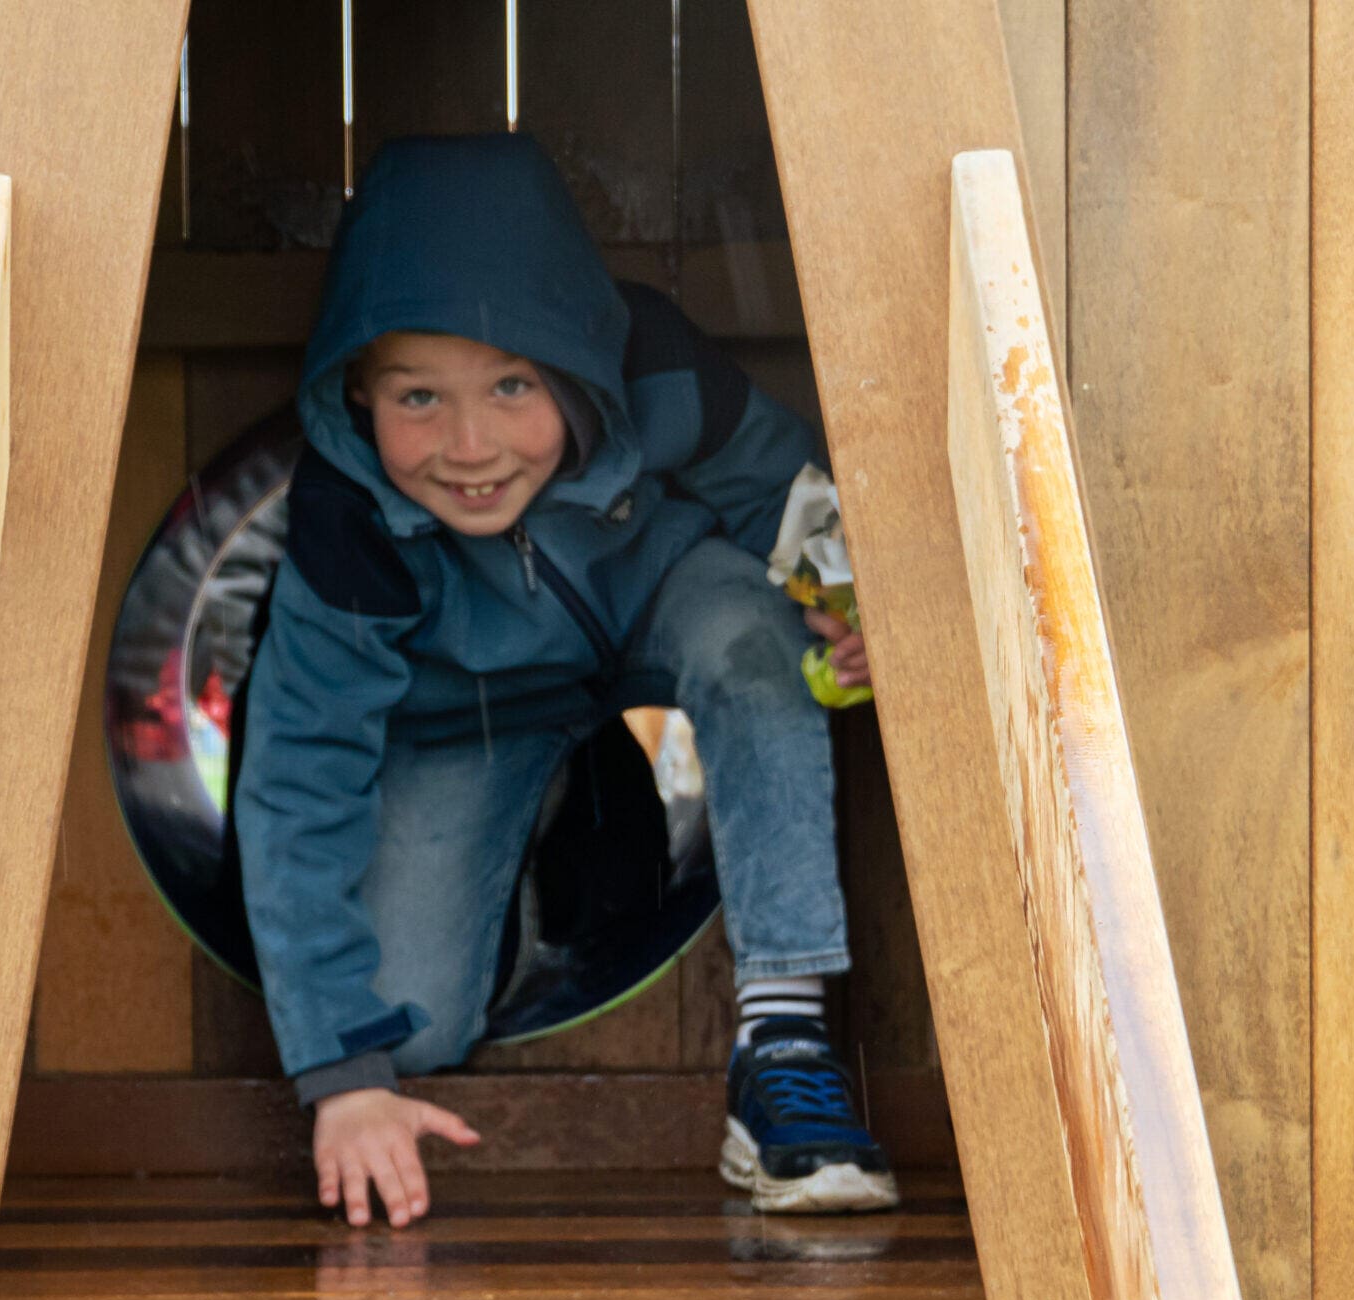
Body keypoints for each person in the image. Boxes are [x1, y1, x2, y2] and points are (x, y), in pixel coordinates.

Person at [234, 133, 897, 1228]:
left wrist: (860, 609)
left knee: (754, 636)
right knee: (410, 1037)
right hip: (464, 716)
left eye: (511, 386)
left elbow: (791, 497)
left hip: (658, 605)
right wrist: (343, 1078)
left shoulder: (659, 370)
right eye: (417, 399)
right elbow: (297, 778)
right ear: (357, 389)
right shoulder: (344, 520)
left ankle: (781, 1041)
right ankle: (570, 801)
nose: (469, 445)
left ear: (581, 364)